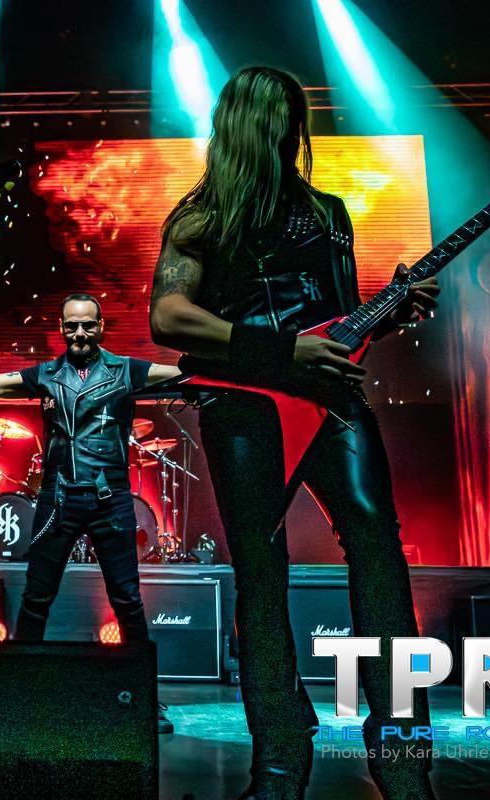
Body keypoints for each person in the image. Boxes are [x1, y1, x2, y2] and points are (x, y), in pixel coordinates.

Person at [149, 67, 440, 800]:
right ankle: (279, 762)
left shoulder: (329, 212)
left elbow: (338, 328)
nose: (287, 129)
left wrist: (391, 313)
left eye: (293, 117)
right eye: (274, 116)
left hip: (333, 402)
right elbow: (167, 316)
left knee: (380, 554)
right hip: (247, 407)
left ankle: (404, 754)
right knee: (261, 572)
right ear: (244, 123)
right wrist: (279, 350)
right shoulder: (201, 217)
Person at [0, 293, 179, 732]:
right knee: (37, 597)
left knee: (128, 600)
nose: (80, 333)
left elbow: (186, 374)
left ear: (101, 326)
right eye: (72, 325)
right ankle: (21, 689)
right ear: (62, 329)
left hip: (111, 500)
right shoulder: (45, 375)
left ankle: (145, 698)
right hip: (57, 499)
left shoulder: (127, 371)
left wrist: (234, 355)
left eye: (88, 324)